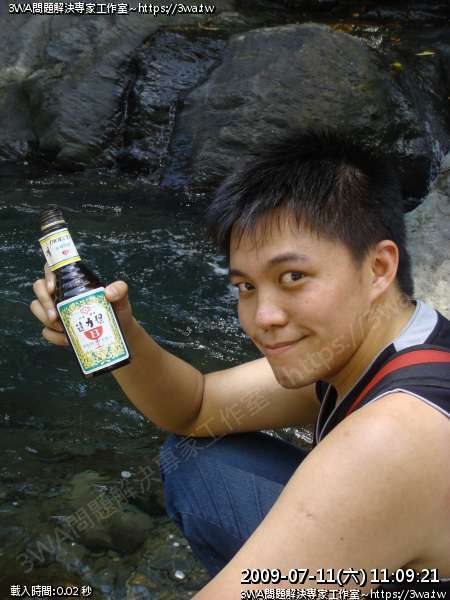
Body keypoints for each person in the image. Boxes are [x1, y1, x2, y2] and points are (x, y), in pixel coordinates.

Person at [30, 129, 450, 598]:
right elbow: (196, 408)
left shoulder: (395, 434)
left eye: (293, 276)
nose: (262, 318)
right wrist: (119, 330)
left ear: (378, 268)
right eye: (246, 287)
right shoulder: (393, 340)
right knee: (201, 463)